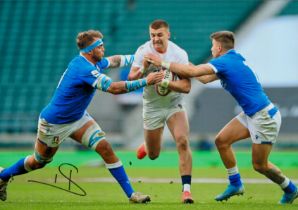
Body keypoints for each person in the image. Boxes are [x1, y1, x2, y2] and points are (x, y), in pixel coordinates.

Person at [0, 29, 164, 203]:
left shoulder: (94, 62)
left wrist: (138, 58)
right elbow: (114, 88)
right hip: (55, 122)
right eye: (100, 46)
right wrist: (146, 80)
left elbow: (116, 60)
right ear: (90, 50)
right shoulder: (83, 68)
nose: (103, 48)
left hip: (78, 118)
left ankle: (132, 195)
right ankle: (2, 176)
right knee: (38, 162)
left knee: (105, 148)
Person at [145, 30, 298, 204]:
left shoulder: (224, 62)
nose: (211, 50)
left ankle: (290, 188)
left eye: (212, 46)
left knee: (260, 165)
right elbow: (203, 78)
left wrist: (163, 62)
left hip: (264, 117)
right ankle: (235, 183)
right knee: (222, 141)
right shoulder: (232, 60)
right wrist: (179, 60)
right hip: (253, 114)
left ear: (218, 47)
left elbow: (194, 72)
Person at [128, 19, 194, 204]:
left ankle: (186, 191)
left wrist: (166, 81)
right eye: (152, 35)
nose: (156, 39)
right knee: (153, 155)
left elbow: (187, 86)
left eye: (159, 35)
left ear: (168, 34)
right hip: (152, 107)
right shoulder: (143, 51)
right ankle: (147, 146)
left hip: (174, 104)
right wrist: (145, 69)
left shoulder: (179, 53)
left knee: (182, 141)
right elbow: (131, 78)